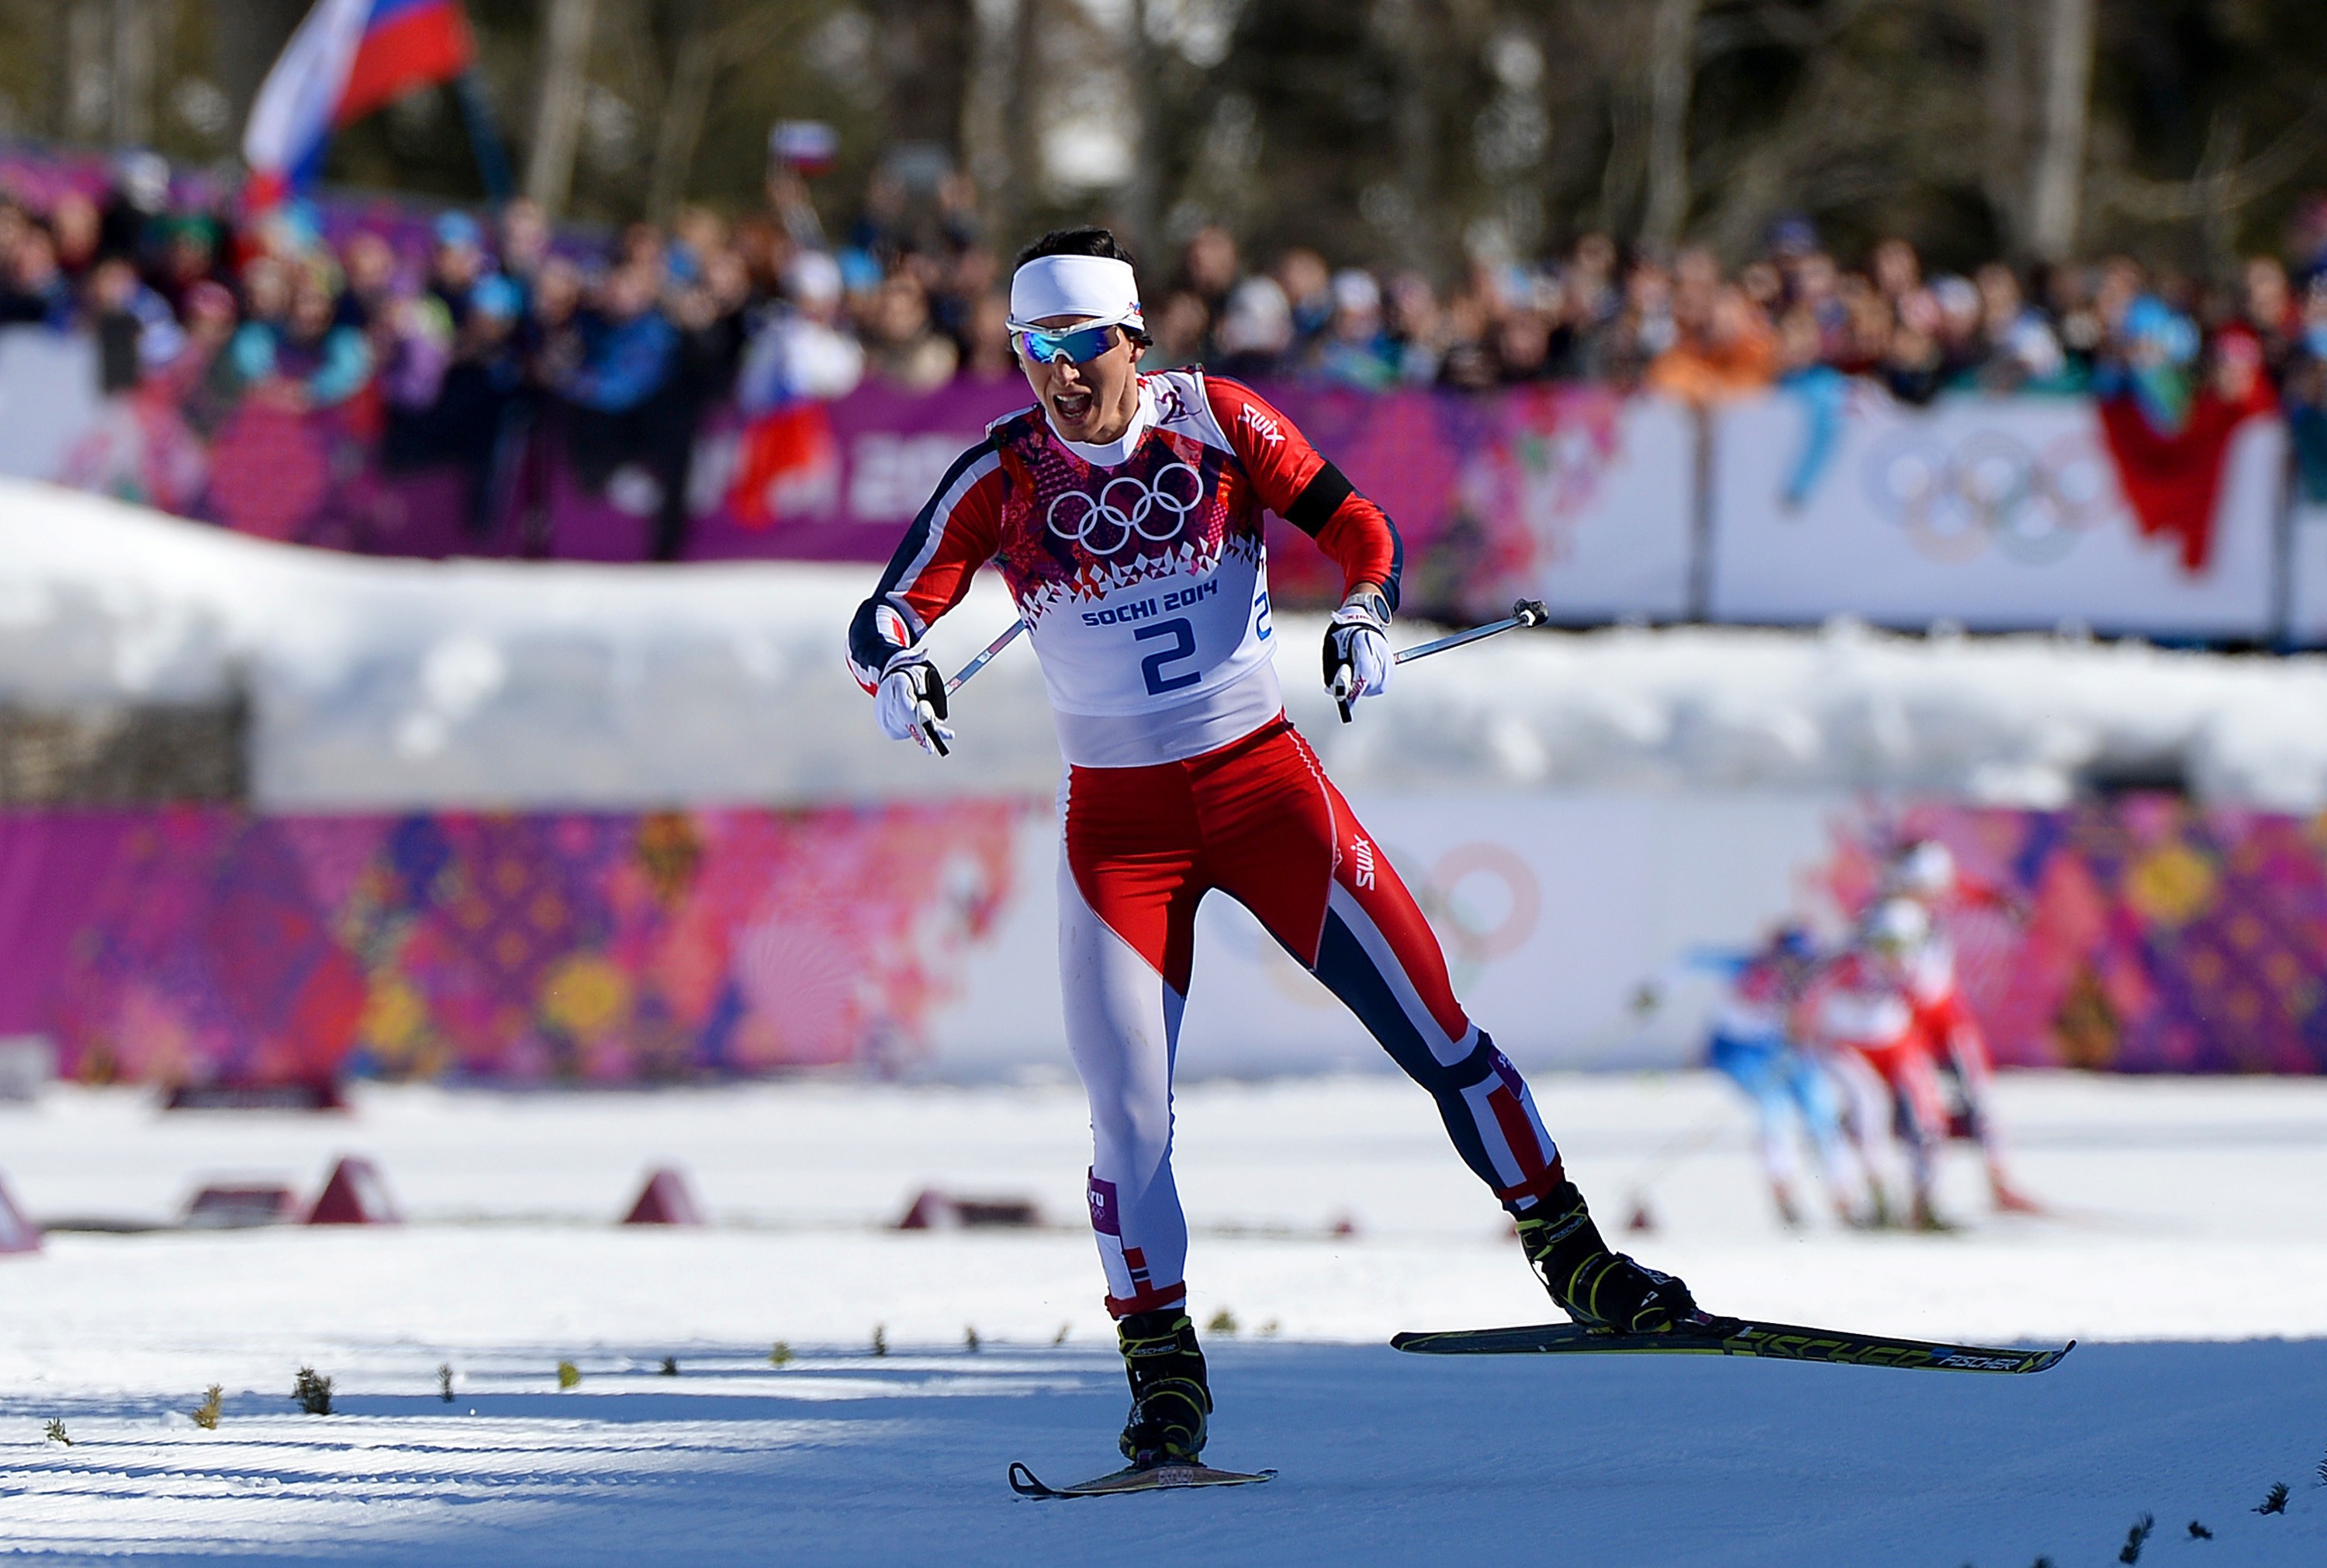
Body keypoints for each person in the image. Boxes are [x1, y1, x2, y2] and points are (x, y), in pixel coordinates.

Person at [845, 226, 1708, 1472]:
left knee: (1440, 1033)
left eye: (1083, 343)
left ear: (1133, 335)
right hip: (1122, 831)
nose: (1060, 374)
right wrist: (899, 666)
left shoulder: (1219, 418)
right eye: (1036, 349)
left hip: (1267, 795)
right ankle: (1164, 1379)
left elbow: (1360, 525)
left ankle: (1576, 1256)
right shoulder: (1004, 472)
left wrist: (1362, 615)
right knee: (1127, 1117)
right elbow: (889, 608)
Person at [1640, 927, 1870, 1228]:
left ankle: (1844, 1197)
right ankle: (1784, 1194)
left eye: (1803, 961)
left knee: (1821, 1111)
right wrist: (1657, 989)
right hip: (1738, 1050)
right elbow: (1693, 958)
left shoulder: (1811, 979)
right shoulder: (1750, 967)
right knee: (1773, 1109)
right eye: (1790, 959)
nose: (1796, 967)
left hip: (1782, 1049)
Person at [1880, 840, 2039, 1214]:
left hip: (1943, 1016)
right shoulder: (1892, 916)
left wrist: (2002, 902)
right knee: (1921, 1108)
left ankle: (1998, 1183)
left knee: (1979, 1096)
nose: (1940, 893)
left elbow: (1963, 889)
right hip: (1911, 1020)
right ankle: (1924, 1195)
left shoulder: (1923, 897)